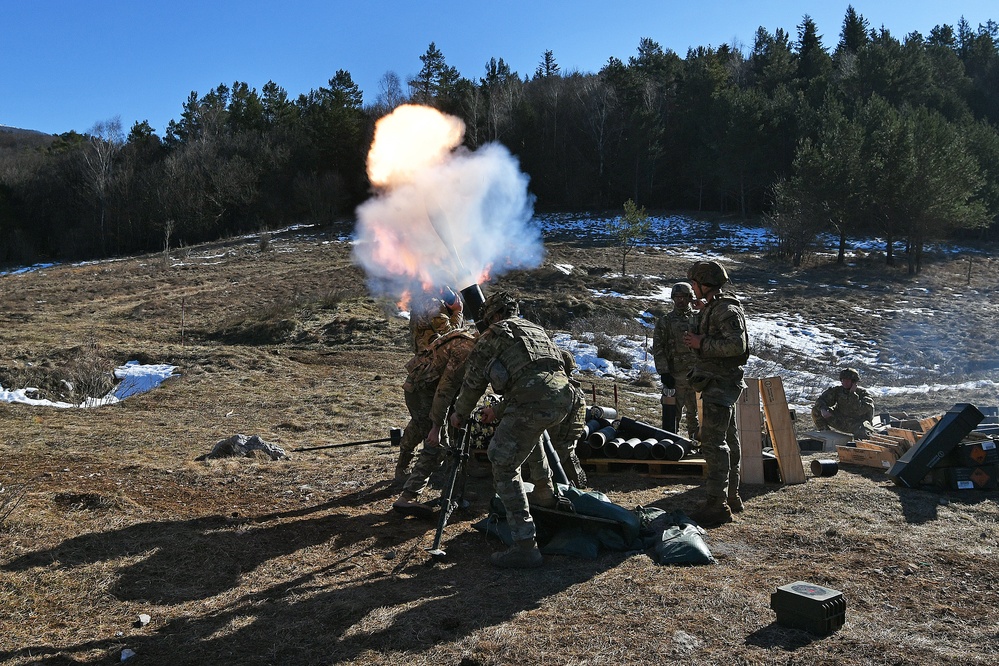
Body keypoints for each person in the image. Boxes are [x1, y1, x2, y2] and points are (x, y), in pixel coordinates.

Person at [449, 291, 576, 568]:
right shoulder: (535, 330)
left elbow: (473, 383)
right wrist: (499, 409)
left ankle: (524, 545)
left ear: (493, 316)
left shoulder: (494, 335)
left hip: (531, 400)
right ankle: (546, 499)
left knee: (502, 460)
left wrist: (459, 413)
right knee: (531, 434)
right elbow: (535, 375)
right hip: (565, 399)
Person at [682, 261, 749, 526]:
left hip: (720, 383)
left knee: (713, 443)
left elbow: (736, 345)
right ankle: (730, 497)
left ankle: (716, 504)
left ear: (704, 283)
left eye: (695, 283)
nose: (692, 288)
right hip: (716, 382)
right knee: (728, 440)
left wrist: (701, 343)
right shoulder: (715, 306)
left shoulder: (726, 309)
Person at [392, 325, 478, 515]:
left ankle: (445, 489)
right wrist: (436, 427)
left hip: (423, 390)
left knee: (423, 430)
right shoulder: (467, 348)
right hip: (424, 393)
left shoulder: (468, 337)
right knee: (436, 445)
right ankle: (408, 497)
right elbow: (444, 390)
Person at [395, 288, 464, 483]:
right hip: (432, 374)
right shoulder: (432, 304)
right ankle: (427, 475)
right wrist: (458, 311)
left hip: (422, 372)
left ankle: (403, 467)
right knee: (435, 427)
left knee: (420, 422)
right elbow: (450, 335)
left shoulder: (419, 303)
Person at [652, 281, 700, 440]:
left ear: (689, 298)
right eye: (677, 297)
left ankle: (697, 445)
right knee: (671, 415)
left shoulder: (699, 319)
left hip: (697, 375)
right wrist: (664, 372)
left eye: (683, 297)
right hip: (675, 376)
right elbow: (659, 348)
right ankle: (670, 446)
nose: (680, 300)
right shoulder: (665, 321)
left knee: (696, 415)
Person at [812, 368, 875, 439]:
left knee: (864, 432)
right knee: (816, 411)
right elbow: (821, 400)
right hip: (841, 421)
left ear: (854, 382)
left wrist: (852, 394)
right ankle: (826, 435)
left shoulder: (863, 394)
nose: (844, 382)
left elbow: (859, 410)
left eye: (847, 380)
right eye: (843, 380)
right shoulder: (838, 390)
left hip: (856, 424)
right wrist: (823, 409)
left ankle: (857, 446)